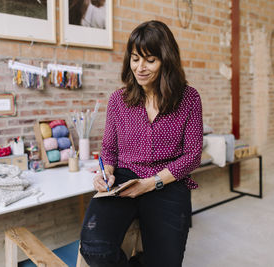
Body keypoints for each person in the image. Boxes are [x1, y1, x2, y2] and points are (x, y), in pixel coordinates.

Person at [80, 20, 203, 267]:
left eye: (150, 60)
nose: (140, 67)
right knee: (94, 248)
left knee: (166, 262)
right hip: (124, 178)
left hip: (167, 181)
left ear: (166, 61)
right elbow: (109, 150)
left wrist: (151, 183)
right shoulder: (118, 99)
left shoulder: (189, 98)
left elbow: (192, 155)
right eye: (135, 58)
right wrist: (105, 174)